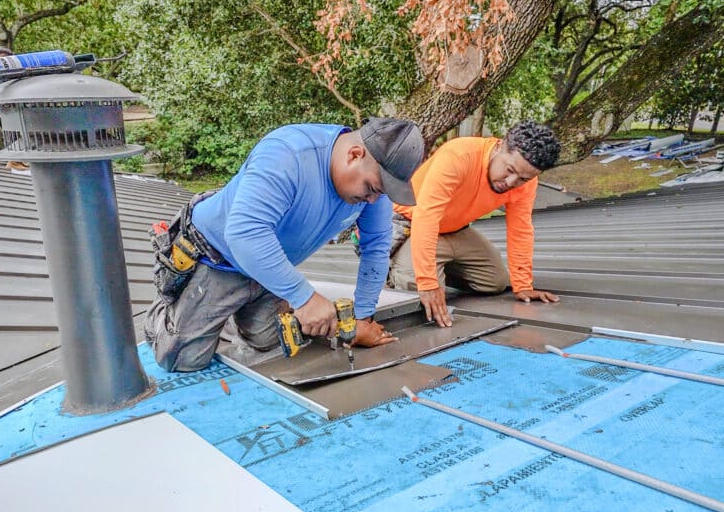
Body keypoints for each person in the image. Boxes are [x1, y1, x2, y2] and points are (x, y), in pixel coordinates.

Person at [144, 117, 425, 373]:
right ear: (354, 155)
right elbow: (243, 234)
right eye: (372, 188)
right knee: (183, 361)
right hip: (216, 255)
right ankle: (169, 309)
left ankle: (230, 312)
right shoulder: (288, 154)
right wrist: (304, 297)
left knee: (272, 342)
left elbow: (376, 246)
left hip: (269, 261)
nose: (374, 201)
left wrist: (363, 316)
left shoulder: (373, 184)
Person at [387, 120, 561, 328]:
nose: (511, 182)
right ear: (500, 146)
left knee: (495, 282)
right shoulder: (459, 156)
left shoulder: (525, 182)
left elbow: (521, 229)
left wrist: (523, 285)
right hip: (410, 225)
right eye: (509, 170)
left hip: (454, 230)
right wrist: (428, 281)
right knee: (420, 291)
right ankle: (397, 267)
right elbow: (427, 216)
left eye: (522, 178)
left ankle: (438, 266)